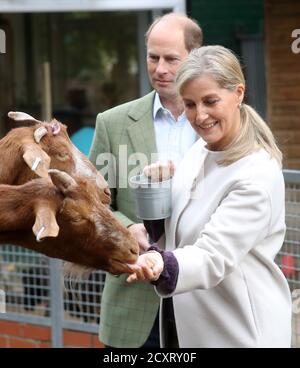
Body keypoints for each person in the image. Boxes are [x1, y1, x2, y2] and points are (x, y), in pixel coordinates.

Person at [127, 45, 292, 348]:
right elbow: (179, 236)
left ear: (238, 93)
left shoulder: (256, 174)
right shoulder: (200, 150)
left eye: (210, 101)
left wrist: (160, 263)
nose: (199, 116)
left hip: (239, 333)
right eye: (189, 104)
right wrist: (155, 198)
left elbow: (212, 255)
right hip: (191, 326)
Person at [89, 13, 203, 348]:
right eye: (153, 58)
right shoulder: (112, 123)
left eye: (171, 59)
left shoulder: (220, 124)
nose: (160, 69)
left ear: (195, 58)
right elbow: (92, 201)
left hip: (204, 300)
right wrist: (126, 227)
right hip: (134, 305)